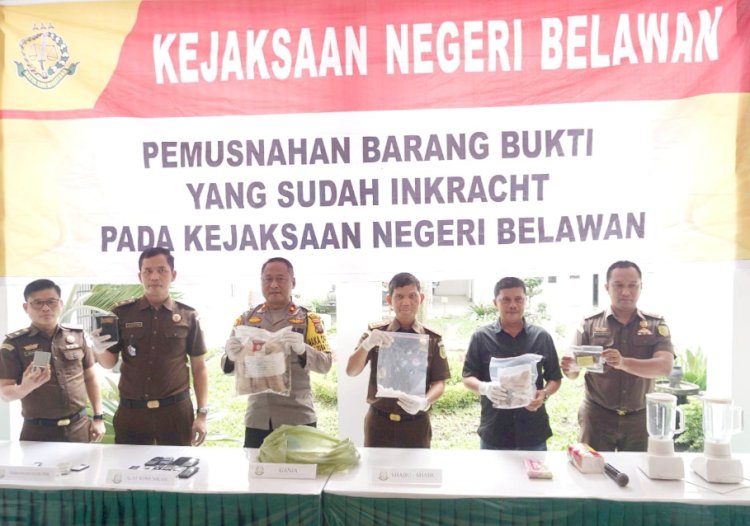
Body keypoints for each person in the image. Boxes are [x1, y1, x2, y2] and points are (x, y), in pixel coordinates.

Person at [93, 247, 208, 446]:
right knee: (129, 465)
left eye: (162, 270)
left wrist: (202, 414)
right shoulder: (122, 313)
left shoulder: (188, 316)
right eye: (147, 271)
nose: (154, 277)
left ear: (173, 275)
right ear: (140, 276)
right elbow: (108, 362)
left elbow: (199, 368)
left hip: (175, 412)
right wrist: (99, 349)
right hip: (132, 412)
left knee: (177, 465)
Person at [562, 260, 673, 451]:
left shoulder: (655, 324)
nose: (626, 292)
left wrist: (623, 363)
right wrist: (569, 368)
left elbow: (664, 367)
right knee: (592, 467)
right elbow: (572, 372)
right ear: (607, 287)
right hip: (597, 416)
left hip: (640, 419)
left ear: (641, 286)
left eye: (632, 285)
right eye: (618, 285)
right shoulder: (589, 323)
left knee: (638, 469)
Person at [221, 257, 332, 448]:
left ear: (293, 282)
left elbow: (326, 364)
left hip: (298, 416)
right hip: (259, 417)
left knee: (299, 467)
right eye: (268, 279)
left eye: (280, 279)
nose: (273, 285)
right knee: (257, 466)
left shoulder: (308, 319)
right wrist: (231, 357)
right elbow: (227, 368)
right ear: (261, 282)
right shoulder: (245, 320)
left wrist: (304, 350)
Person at [346, 272, 450, 448]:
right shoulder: (376, 334)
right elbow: (351, 371)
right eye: (399, 296)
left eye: (412, 296)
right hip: (379, 423)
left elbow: (439, 382)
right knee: (376, 467)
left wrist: (425, 401)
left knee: (417, 466)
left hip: (416, 424)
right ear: (389, 300)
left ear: (421, 298)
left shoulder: (432, 338)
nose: (406, 302)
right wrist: (367, 344)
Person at [0, 279, 105, 442]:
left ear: (60, 303)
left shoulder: (77, 336)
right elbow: (4, 393)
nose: (45, 308)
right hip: (37, 432)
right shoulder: (14, 344)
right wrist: (24, 388)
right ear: (26, 307)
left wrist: (98, 417)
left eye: (51, 301)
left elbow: (90, 378)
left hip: (79, 428)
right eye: (37, 303)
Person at [462, 277, 562, 450]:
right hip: (495, 430)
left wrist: (544, 394)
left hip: (533, 430)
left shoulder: (541, 337)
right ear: (495, 303)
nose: (513, 305)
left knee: (536, 469)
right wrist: (485, 388)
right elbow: (467, 377)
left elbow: (555, 378)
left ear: (525, 301)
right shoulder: (481, 337)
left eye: (518, 299)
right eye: (506, 300)